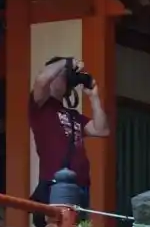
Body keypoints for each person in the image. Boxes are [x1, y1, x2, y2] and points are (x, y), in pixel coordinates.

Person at [29, 56, 110, 207]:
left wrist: (94, 97)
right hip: (57, 183)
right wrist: (67, 62)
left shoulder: (73, 115)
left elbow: (102, 130)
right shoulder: (41, 107)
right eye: (63, 74)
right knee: (61, 221)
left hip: (81, 184)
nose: (66, 78)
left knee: (80, 223)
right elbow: (41, 79)